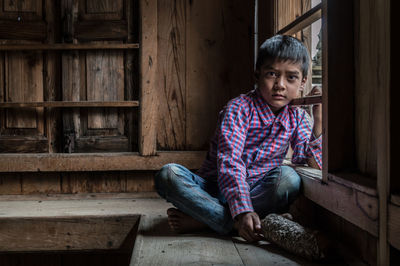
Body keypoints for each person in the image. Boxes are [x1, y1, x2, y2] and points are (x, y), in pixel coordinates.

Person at [154, 35, 322, 242]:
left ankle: (207, 219)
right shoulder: (239, 108)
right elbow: (229, 162)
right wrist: (241, 211)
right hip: (213, 189)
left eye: (291, 78)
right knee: (168, 175)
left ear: (303, 82)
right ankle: (234, 223)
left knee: (289, 179)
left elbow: (311, 162)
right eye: (272, 74)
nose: (280, 85)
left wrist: (319, 123)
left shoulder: (298, 116)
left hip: (257, 193)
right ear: (257, 75)